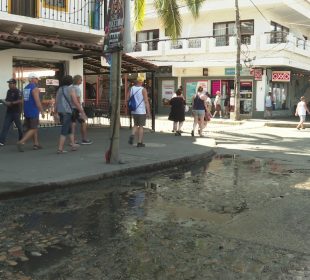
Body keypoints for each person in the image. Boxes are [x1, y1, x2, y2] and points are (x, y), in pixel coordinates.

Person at [55, 75, 87, 154]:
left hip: (61, 111)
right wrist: (82, 112)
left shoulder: (60, 89)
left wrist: (55, 113)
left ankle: (73, 145)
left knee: (69, 129)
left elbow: (56, 102)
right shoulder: (71, 89)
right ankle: (60, 148)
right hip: (68, 111)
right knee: (64, 130)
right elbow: (75, 102)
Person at [17, 73, 45, 152]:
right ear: (32, 79)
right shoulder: (35, 88)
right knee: (33, 128)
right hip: (33, 111)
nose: (37, 80)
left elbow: (23, 101)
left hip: (27, 111)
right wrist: (42, 111)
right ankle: (21, 142)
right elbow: (37, 101)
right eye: (36, 79)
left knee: (33, 128)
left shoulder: (25, 88)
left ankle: (36, 144)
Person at [128, 76, 151, 147]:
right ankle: (139, 142)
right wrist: (148, 112)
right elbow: (146, 101)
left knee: (135, 124)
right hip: (141, 111)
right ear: (141, 82)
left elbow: (127, 98)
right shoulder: (143, 89)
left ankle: (132, 135)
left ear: (136, 82)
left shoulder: (131, 88)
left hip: (134, 110)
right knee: (141, 126)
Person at [70, 75, 92, 145]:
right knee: (83, 123)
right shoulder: (77, 89)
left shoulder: (70, 87)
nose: (81, 81)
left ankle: (73, 140)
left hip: (70, 108)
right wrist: (81, 110)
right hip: (77, 108)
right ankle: (84, 139)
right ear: (77, 80)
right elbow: (78, 100)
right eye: (81, 80)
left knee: (73, 124)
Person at [0, 78, 23, 146]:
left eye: (10, 83)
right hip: (9, 112)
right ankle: (1, 141)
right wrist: (5, 102)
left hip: (16, 112)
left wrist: (11, 103)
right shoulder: (9, 91)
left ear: (14, 84)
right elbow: (7, 100)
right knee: (5, 127)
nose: (9, 85)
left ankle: (21, 140)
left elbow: (20, 100)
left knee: (19, 127)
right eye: (9, 83)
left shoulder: (17, 91)